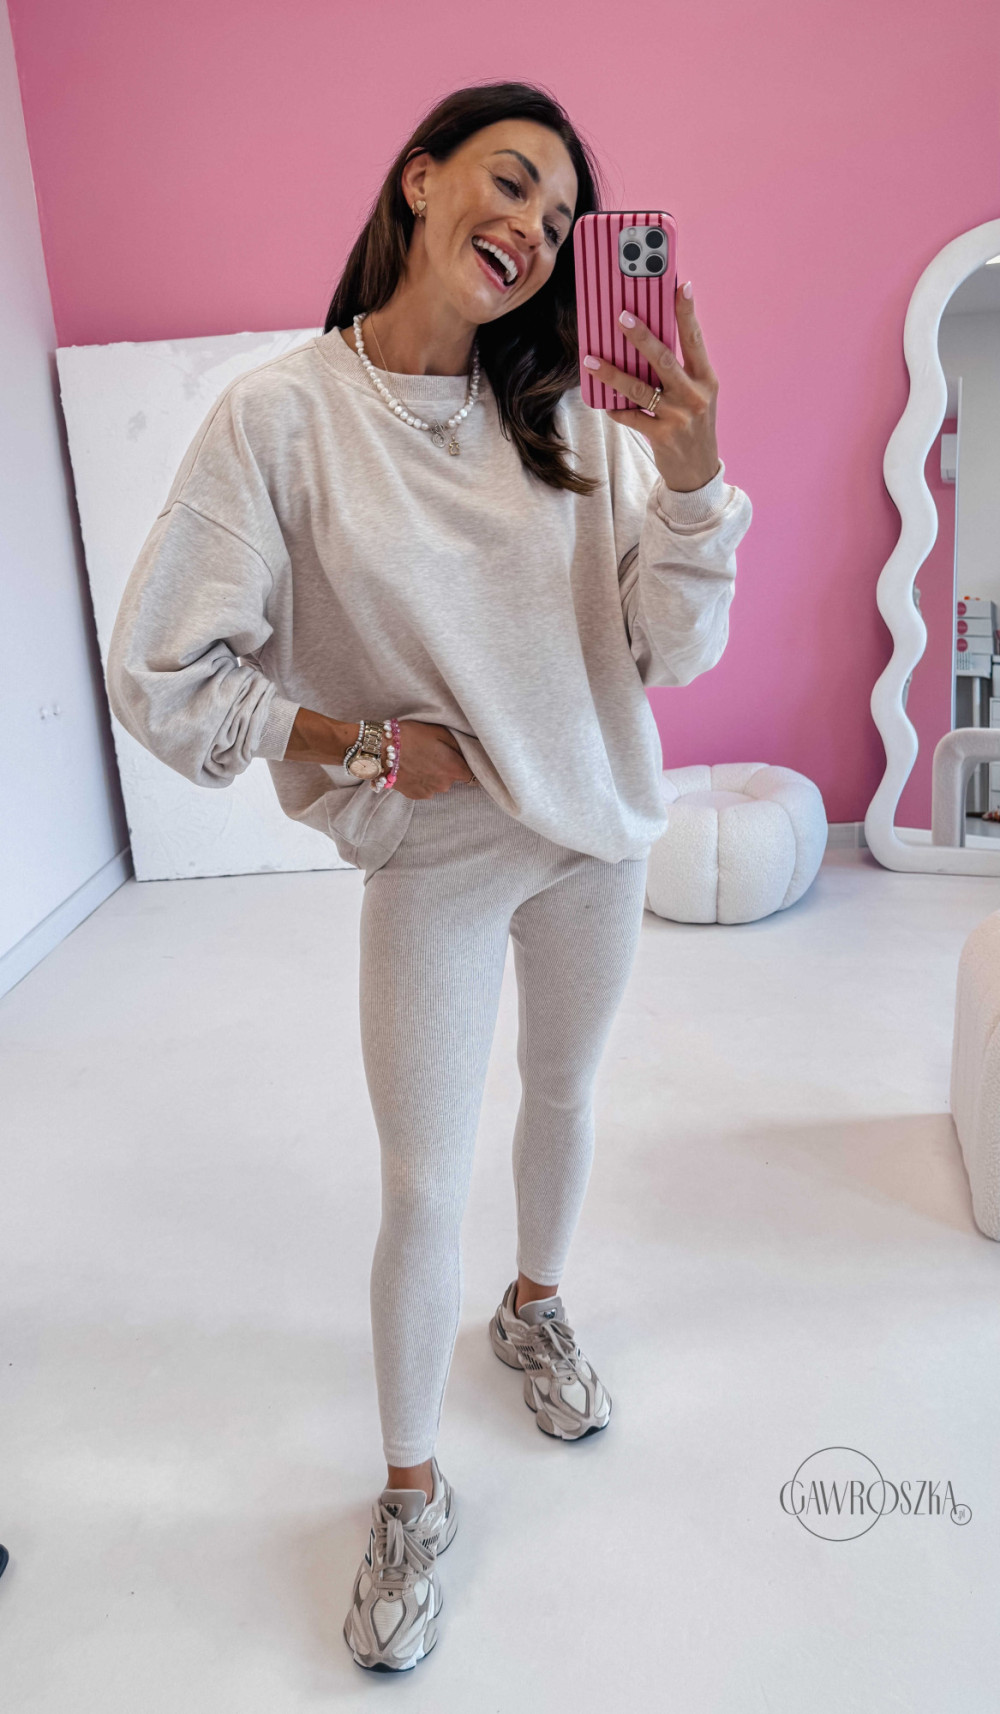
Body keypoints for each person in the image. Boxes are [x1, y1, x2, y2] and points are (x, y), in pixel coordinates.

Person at [106, 81, 752, 1672]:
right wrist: (360, 743)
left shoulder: (580, 418)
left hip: (594, 831)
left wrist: (691, 481)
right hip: (439, 862)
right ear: (418, 180)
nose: (532, 225)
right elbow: (162, 668)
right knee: (418, 1183)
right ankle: (409, 1491)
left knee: (565, 1093)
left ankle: (534, 1302)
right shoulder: (280, 420)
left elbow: (670, 650)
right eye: (508, 180)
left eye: (561, 214)